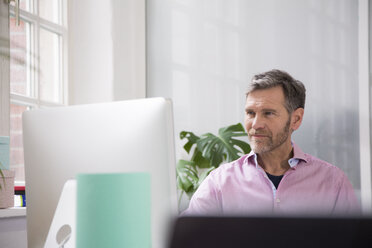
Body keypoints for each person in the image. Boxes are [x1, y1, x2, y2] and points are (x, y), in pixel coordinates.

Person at [183, 69, 360, 216]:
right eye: (250, 113)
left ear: (296, 119)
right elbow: (188, 240)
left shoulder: (332, 183)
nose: (256, 124)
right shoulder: (219, 184)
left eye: (268, 113)